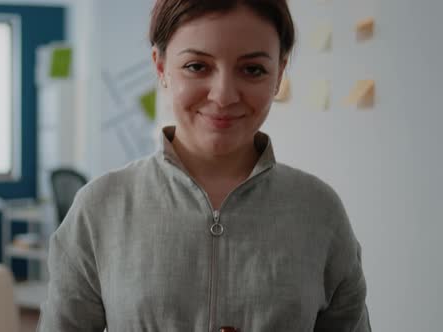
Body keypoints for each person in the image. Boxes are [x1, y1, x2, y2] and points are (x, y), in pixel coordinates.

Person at [39, 0, 372, 331]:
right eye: (197, 66)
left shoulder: (320, 212)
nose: (224, 95)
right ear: (160, 67)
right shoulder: (99, 208)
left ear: (279, 74)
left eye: (252, 69)